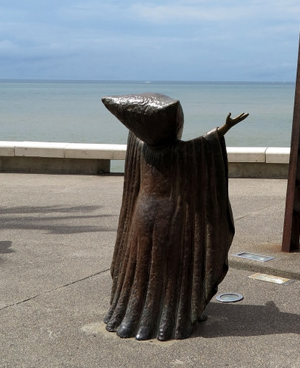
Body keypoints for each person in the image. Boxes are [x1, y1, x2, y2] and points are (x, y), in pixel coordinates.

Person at [102, 92, 248, 341]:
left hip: (141, 215)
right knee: (170, 268)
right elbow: (205, 145)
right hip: (170, 218)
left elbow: (137, 126)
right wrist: (224, 128)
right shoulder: (179, 152)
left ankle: (134, 315)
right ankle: (172, 316)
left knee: (144, 267)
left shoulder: (140, 146)